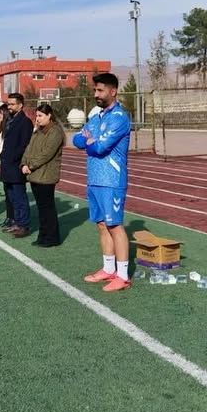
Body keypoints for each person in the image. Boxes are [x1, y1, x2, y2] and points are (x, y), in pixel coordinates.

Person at [75, 73, 132, 292]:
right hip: (95, 179)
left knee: (115, 225)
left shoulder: (119, 118)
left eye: (100, 90)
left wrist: (91, 141)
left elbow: (100, 147)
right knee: (101, 225)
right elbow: (78, 139)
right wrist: (90, 140)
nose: (96, 94)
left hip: (111, 180)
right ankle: (108, 269)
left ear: (113, 91)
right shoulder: (97, 117)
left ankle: (123, 275)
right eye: (95, 90)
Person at [20, 103, 66, 246]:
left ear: (49, 115)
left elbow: (46, 153)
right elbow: (29, 149)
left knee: (48, 208)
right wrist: (23, 164)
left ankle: (52, 238)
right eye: (36, 116)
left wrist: (31, 165)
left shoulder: (56, 132)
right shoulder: (37, 131)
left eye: (40, 116)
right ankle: (43, 236)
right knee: (42, 209)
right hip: (35, 175)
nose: (37, 119)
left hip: (46, 176)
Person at [0, 93, 33, 235]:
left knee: (19, 197)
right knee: (11, 196)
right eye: (8, 104)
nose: (9, 107)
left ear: (20, 105)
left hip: (16, 165)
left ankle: (23, 225)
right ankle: (16, 222)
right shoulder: (9, 120)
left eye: (12, 104)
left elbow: (24, 145)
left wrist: (12, 157)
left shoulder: (25, 122)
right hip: (7, 165)